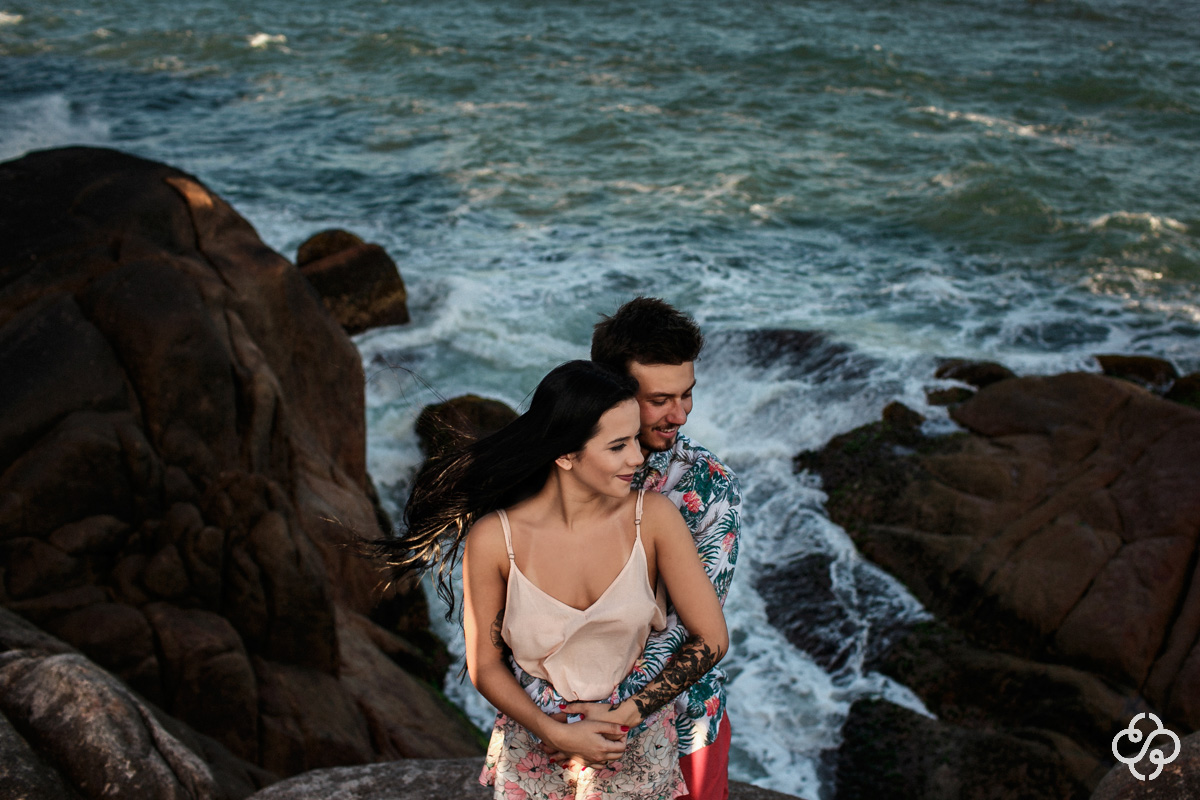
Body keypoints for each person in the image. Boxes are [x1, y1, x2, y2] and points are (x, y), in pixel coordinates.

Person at [384, 360, 728, 799]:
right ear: (564, 454)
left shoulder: (654, 518)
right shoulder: (495, 540)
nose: (637, 458)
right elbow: (484, 666)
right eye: (617, 446)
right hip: (536, 754)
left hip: (636, 749)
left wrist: (624, 716)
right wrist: (554, 732)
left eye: (635, 440)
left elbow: (712, 637)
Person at [515, 298, 742, 800]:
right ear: (613, 388)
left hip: (682, 725)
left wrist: (612, 715)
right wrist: (553, 719)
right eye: (660, 399)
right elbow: (513, 614)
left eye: (687, 394)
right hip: (558, 728)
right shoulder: (550, 470)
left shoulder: (708, 486)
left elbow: (690, 629)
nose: (679, 414)